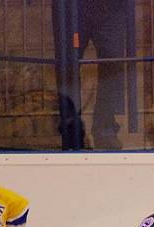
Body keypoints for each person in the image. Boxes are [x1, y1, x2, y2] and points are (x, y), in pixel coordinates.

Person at [52, 1, 129, 150]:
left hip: (110, 8)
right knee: (68, 66)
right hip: (72, 7)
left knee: (114, 63)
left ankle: (103, 129)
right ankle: (72, 130)